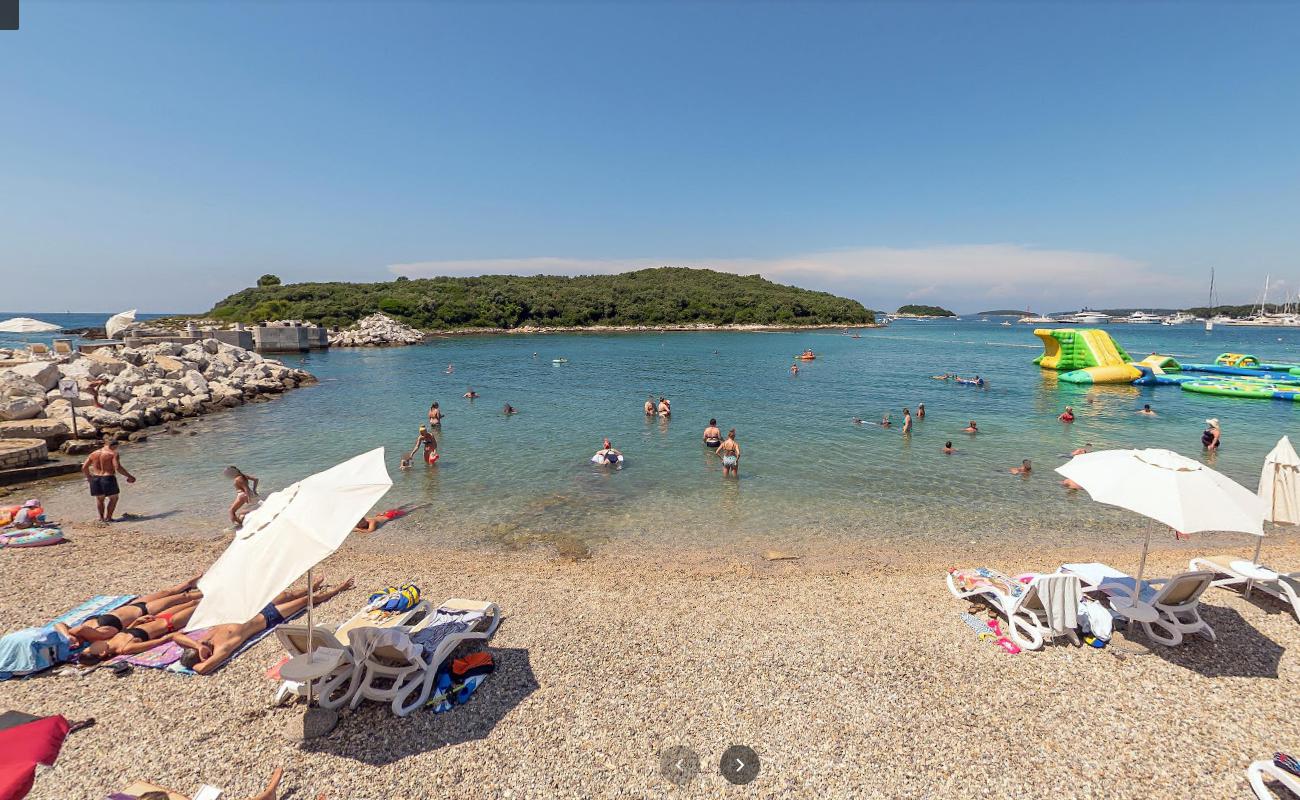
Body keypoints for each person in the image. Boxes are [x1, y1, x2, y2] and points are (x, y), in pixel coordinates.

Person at [168, 579, 354, 675]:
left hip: (251, 609)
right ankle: (338, 589)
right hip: (265, 617)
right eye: (204, 649)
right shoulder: (221, 649)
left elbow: (176, 636)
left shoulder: (203, 640)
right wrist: (201, 656)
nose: (205, 645)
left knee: (287, 594)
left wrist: (197, 645)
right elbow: (201, 669)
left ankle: (312, 585)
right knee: (305, 602)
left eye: (201, 646)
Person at [54, 576, 201, 646]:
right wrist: (73, 638)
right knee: (182, 597)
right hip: (142, 611)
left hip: (129, 606)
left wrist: (67, 635)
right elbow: (81, 628)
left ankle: (192, 582)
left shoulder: (72, 633)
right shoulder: (95, 637)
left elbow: (58, 624)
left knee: (168, 591)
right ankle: (210, 592)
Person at [75, 598, 202, 666]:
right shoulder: (126, 648)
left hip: (158, 617)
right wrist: (178, 634)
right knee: (200, 606)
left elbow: (127, 631)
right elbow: (158, 642)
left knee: (192, 601)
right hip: (171, 623)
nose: (92, 645)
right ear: (102, 653)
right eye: (91, 649)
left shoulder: (111, 640)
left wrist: (136, 622)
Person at [81, 438, 135, 523]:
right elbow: (118, 468)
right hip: (108, 478)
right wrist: (130, 476)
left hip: (95, 479)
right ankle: (109, 518)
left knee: (100, 499)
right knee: (114, 498)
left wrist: (89, 477)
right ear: (115, 445)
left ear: (105, 444)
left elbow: (84, 467)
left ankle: (101, 519)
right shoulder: (113, 453)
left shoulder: (93, 453)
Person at [355, 503, 427, 533]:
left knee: (409, 510)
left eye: (363, 520)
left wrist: (356, 529)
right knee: (401, 508)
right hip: (385, 513)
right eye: (362, 522)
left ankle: (422, 505)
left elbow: (370, 531)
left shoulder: (371, 522)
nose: (364, 521)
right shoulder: (367, 520)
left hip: (390, 515)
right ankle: (413, 504)